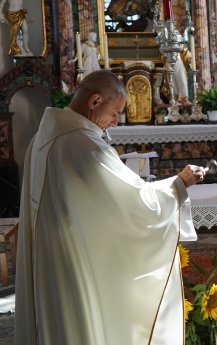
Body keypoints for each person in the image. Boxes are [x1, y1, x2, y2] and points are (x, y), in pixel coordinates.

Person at [14, 69, 206, 345]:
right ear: (94, 102)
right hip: (73, 260)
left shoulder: (44, 136)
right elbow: (133, 204)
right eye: (115, 112)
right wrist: (179, 184)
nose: (116, 122)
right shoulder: (81, 143)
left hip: (52, 254)